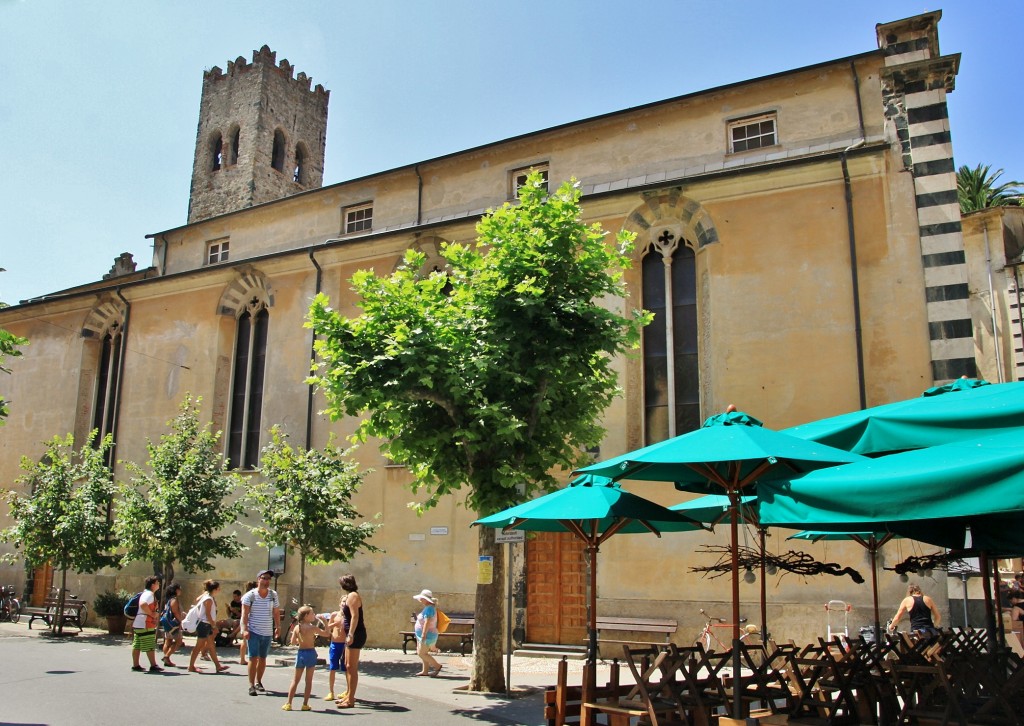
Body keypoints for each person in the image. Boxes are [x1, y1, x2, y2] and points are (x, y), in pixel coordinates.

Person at [241, 569, 280, 696]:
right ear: (258, 579)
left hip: (267, 631)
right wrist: (245, 629)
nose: (266, 581)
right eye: (264, 578)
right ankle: (251, 685)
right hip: (254, 631)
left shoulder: (273, 595)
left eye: (268, 579)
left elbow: (276, 612)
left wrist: (278, 627)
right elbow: (244, 614)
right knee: (253, 657)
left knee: (263, 658)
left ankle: (259, 681)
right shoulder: (250, 596)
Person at [282, 606, 323, 711]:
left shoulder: (297, 627)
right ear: (306, 616)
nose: (314, 615)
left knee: (295, 680)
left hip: (301, 653)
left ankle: (288, 703)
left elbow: (293, 642)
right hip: (310, 653)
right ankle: (305, 704)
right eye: (312, 613)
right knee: (308, 681)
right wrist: (325, 623)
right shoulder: (313, 628)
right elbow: (327, 633)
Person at [336, 574, 365, 709]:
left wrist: (351, 634)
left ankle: (351, 699)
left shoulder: (353, 596)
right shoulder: (349, 596)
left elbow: (355, 616)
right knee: (347, 665)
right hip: (350, 633)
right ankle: (348, 694)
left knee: (352, 667)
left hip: (356, 634)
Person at [188, 579, 229, 673]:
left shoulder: (207, 596)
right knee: (199, 646)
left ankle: (218, 666)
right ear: (214, 589)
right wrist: (214, 626)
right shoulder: (209, 599)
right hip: (204, 625)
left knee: (211, 645)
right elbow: (208, 614)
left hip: (207, 625)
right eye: (218, 588)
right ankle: (191, 666)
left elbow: (197, 599)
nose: (219, 590)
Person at [131, 575, 163, 673]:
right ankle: (153, 665)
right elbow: (143, 604)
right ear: (153, 585)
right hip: (145, 623)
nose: (159, 585)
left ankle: (136, 665)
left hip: (139, 622)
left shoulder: (146, 593)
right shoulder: (149, 594)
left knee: (137, 644)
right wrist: (152, 614)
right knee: (149, 644)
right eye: (157, 583)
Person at [413, 589, 441, 677]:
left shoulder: (429, 608)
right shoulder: (428, 607)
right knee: (422, 652)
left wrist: (423, 634)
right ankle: (425, 671)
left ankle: (437, 666)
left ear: (426, 599)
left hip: (427, 635)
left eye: (422, 598)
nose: (420, 600)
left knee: (422, 653)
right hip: (425, 634)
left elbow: (427, 622)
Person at [324, 599, 348, 701]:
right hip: (334, 644)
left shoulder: (350, 616)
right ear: (339, 603)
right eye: (343, 601)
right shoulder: (334, 615)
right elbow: (327, 628)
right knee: (332, 668)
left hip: (345, 645)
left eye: (346, 602)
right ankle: (331, 692)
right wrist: (335, 624)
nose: (344, 603)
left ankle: (348, 691)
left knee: (346, 668)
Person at [160, 582, 184, 667]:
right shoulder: (174, 599)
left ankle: (167, 659)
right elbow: (175, 611)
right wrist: (180, 620)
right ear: (176, 590)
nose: (181, 591)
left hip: (167, 623)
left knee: (168, 641)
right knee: (179, 641)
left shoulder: (168, 600)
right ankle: (167, 656)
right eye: (179, 589)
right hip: (174, 623)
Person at [238, 580, 256, 665]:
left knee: (244, 640)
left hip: (244, 618)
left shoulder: (245, 596)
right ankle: (249, 658)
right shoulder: (252, 596)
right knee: (249, 640)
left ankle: (242, 658)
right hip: (249, 619)